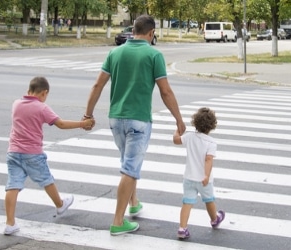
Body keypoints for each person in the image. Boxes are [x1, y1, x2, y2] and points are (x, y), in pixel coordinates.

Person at [82, 14, 186, 236]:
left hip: (115, 119)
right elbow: (165, 91)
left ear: (133, 31)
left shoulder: (115, 52)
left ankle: (134, 203)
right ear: (151, 33)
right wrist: (179, 119)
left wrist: (88, 114)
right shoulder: (153, 54)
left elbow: (97, 85)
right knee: (130, 168)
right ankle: (118, 221)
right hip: (138, 120)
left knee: (127, 163)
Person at [3, 76, 94, 235]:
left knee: (13, 186)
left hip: (13, 152)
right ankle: (60, 205)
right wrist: (82, 124)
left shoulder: (16, 104)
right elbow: (61, 124)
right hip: (32, 153)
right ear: (44, 93)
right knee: (47, 180)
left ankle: (10, 223)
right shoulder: (41, 108)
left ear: (28, 90)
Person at [172, 107, 225, 239]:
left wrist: (177, 130)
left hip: (189, 178)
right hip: (203, 180)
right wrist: (206, 175)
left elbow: (176, 140)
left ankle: (182, 228)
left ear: (195, 123)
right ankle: (214, 219)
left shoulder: (189, 137)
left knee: (187, 203)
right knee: (209, 200)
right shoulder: (211, 142)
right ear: (212, 126)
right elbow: (208, 160)